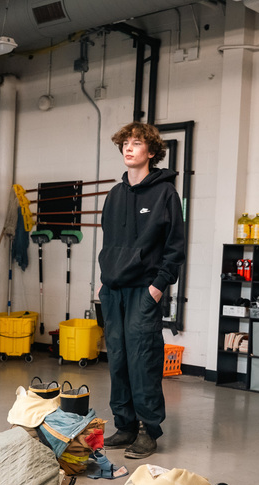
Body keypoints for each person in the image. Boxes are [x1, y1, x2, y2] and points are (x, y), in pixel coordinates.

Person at [97, 123, 186, 458]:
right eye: (125, 144)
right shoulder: (115, 195)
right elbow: (109, 242)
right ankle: (125, 424)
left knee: (143, 358)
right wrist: (103, 279)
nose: (129, 149)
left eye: (137, 144)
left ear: (151, 152)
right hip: (114, 289)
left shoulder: (165, 194)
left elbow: (175, 247)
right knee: (117, 357)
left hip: (144, 290)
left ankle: (149, 430)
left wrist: (158, 287)